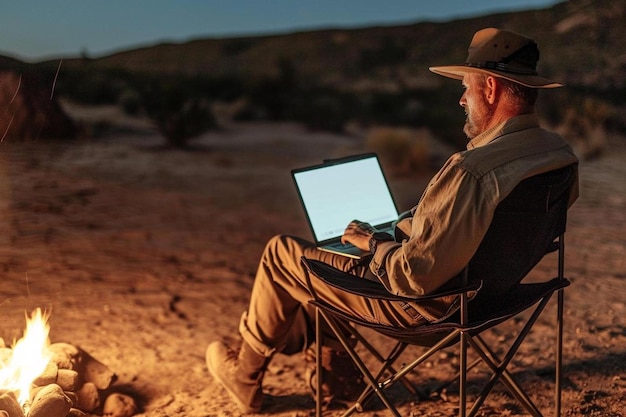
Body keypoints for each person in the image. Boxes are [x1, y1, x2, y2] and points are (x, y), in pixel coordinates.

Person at [205, 27, 580, 414]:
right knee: (322, 265)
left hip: (426, 311)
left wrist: (374, 244)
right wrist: (405, 228)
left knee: (282, 253)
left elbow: (414, 277)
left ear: (489, 88)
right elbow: (499, 231)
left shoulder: (471, 171)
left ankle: (245, 379)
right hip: (493, 296)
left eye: (466, 87)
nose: (461, 98)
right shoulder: (557, 154)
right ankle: (339, 380)